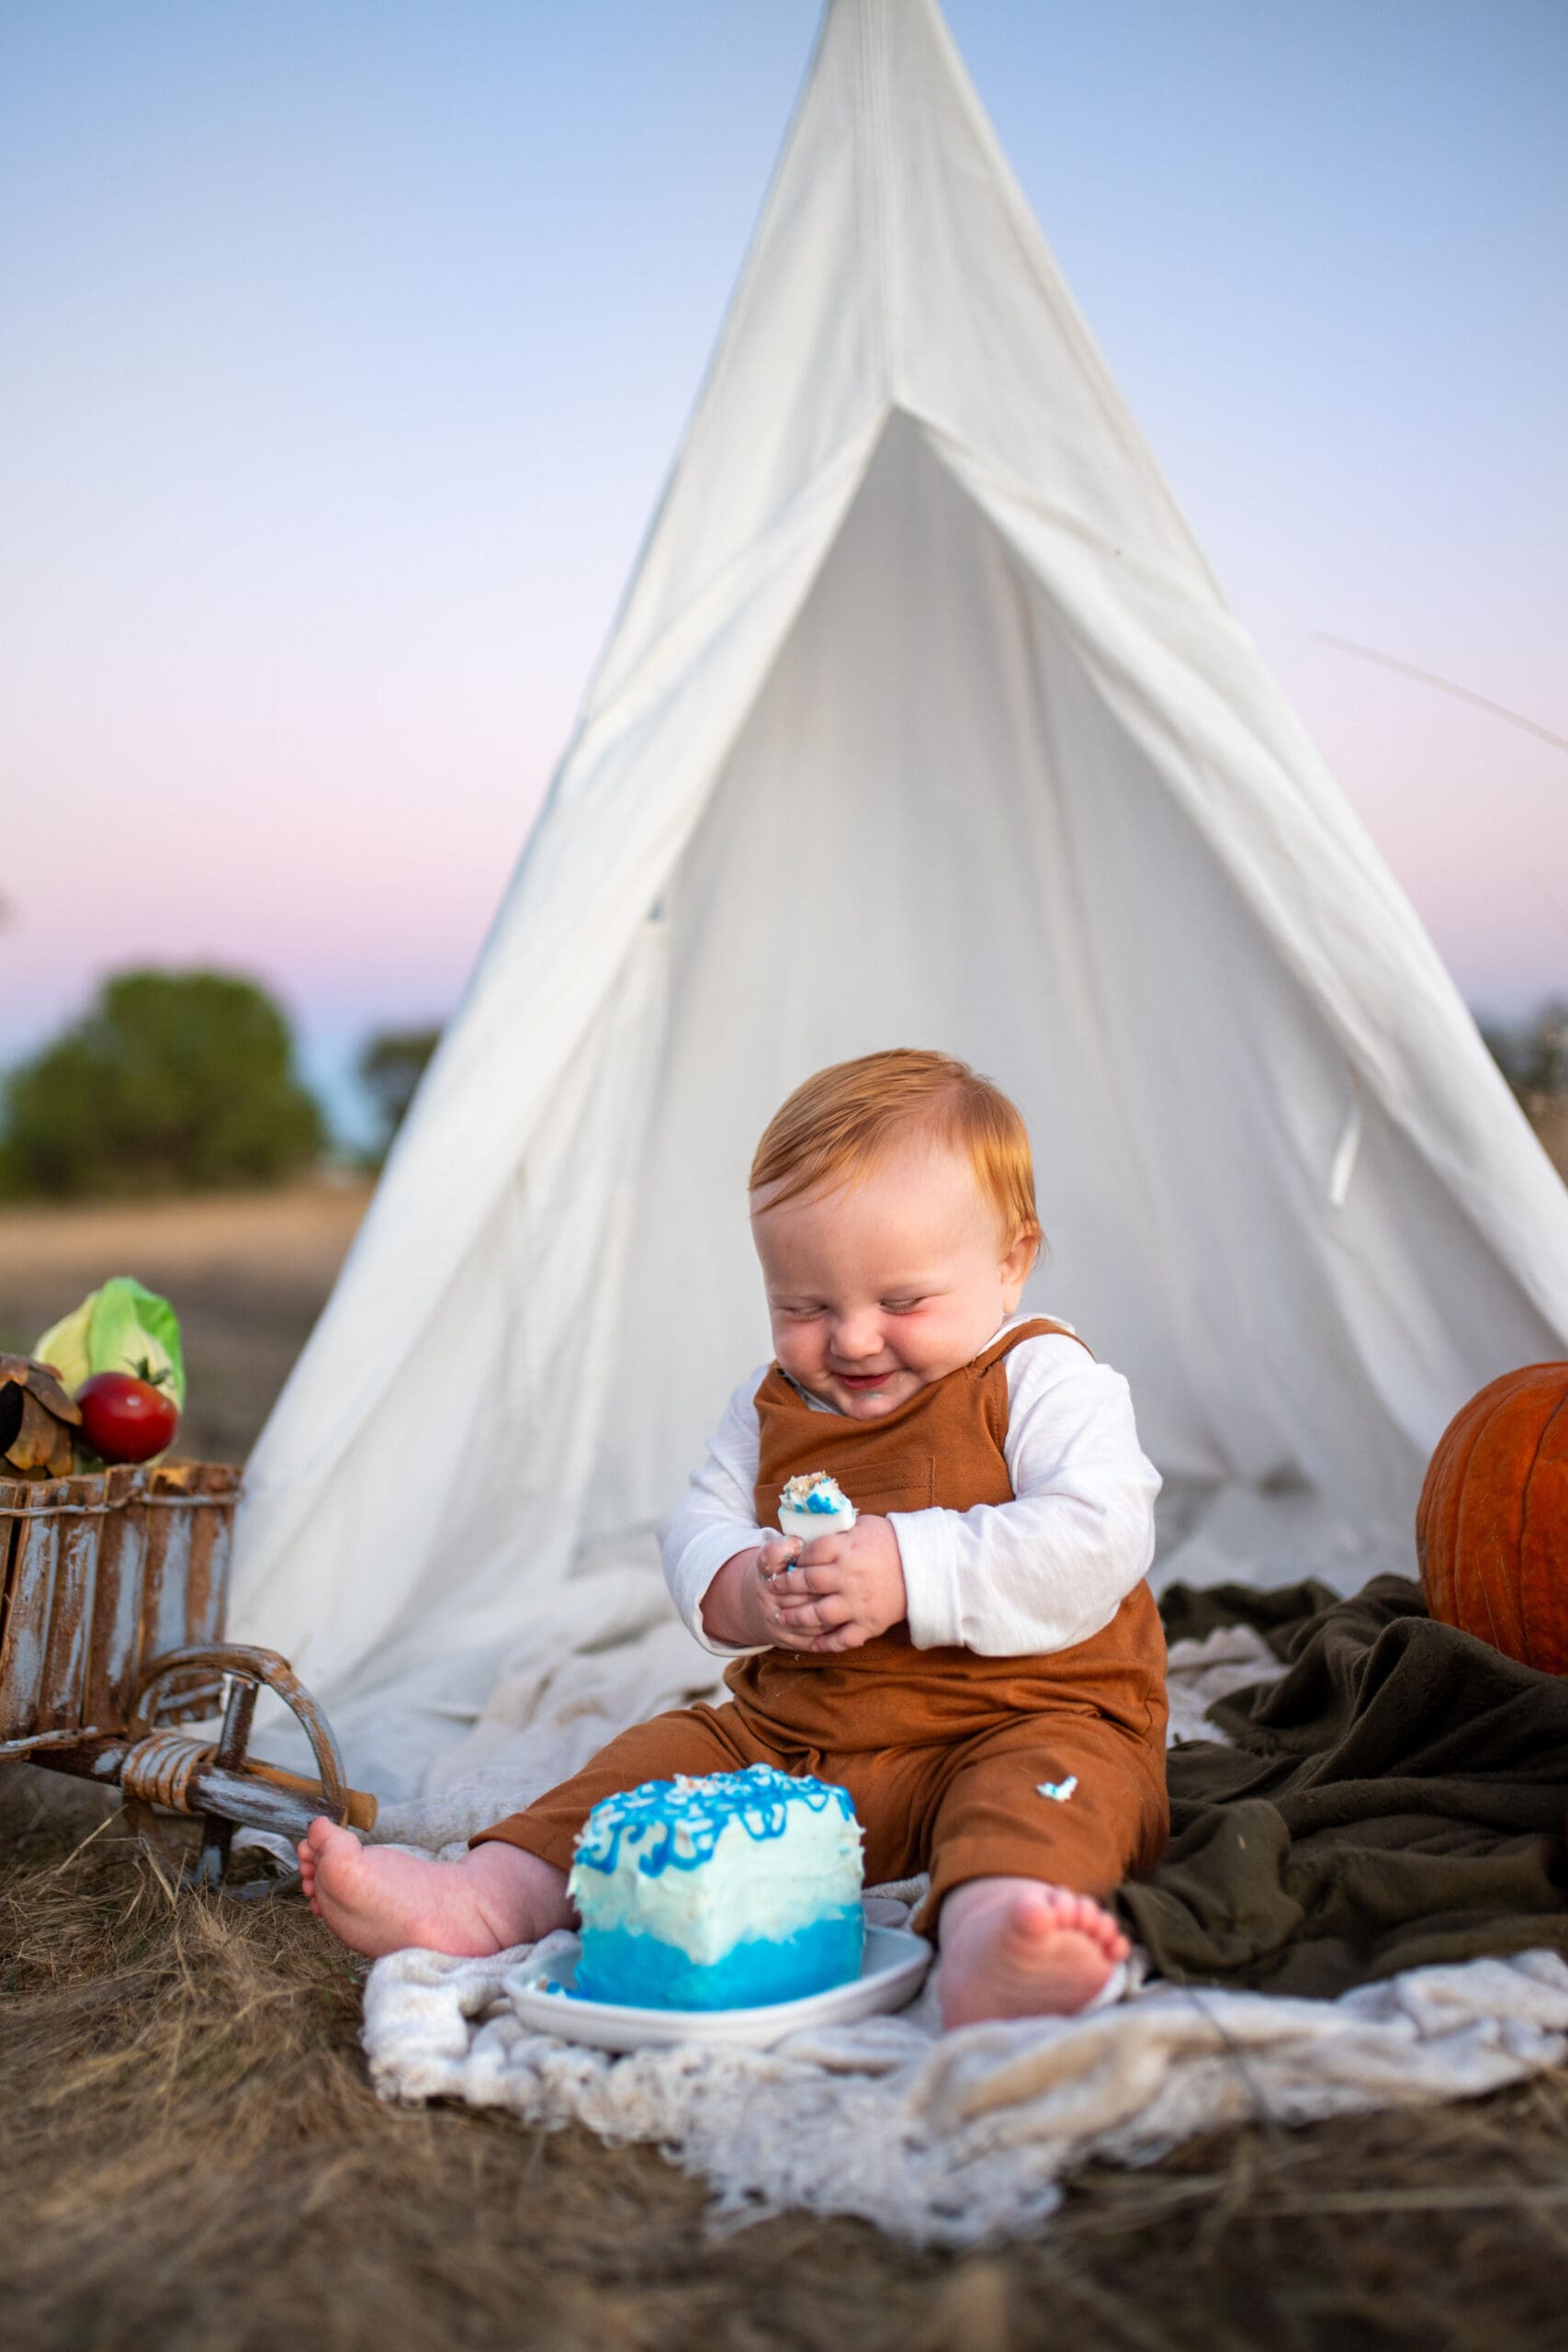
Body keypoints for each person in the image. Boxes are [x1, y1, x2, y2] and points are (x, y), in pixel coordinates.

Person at [301, 1049, 1168, 2024]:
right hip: (805, 1738)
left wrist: (906, 1564)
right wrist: (740, 1584)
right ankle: (485, 1892)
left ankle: (997, 1936)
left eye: (900, 1302)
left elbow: (1101, 1533)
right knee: (652, 1768)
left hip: (1027, 1712)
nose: (849, 1340)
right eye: (804, 1307)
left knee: (1046, 1801)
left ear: (1011, 1262)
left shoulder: (1040, 1379)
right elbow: (697, 1522)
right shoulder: (774, 1407)